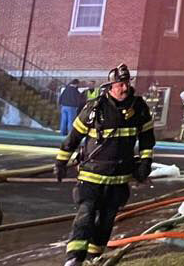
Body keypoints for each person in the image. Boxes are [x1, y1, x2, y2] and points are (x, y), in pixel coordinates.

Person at [55, 63, 155, 266]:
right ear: (110, 86)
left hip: (119, 178)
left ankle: (94, 256)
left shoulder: (139, 108)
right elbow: (73, 137)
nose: (124, 88)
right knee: (86, 214)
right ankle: (74, 259)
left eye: (126, 83)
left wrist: (145, 162)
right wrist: (61, 162)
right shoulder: (95, 108)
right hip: (91, 176)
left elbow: (147, 139)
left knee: (107, 220)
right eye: (120, 84)